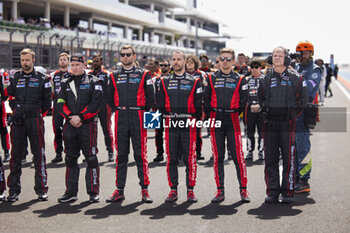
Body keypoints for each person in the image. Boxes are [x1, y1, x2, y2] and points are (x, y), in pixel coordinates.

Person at [258, 46, 308, 203]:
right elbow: (260, 99)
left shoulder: (296, 78)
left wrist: (291, 115)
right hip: (270, 123)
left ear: (286, 58)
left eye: (280, 55)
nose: (277, 58)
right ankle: (272, 192)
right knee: (270, 158)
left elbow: (303, 101)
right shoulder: (265, 79)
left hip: (288, 123)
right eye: (274, 55)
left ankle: (287, 192)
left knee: (289, 159)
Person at [106, 45, 154, 203]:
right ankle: (119, 190)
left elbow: (151, 98)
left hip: (138, 115)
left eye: (128, 55)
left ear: (134, 56)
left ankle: (144, 190)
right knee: (121, 155)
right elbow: (109, 98)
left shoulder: (144, 74)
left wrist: (141, 111)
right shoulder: (113, 75)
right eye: (123, 55)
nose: (125, 57)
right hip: (120, 116)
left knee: (140, 155)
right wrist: (118, 109)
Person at [204, 48, 250, 203]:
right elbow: (206, 99)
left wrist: (236, 113)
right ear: (218, 60)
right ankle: (220, 191)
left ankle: (243, 190)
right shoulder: (211, 78)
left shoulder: (240, 79)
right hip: (216, 118)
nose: (225, 61)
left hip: (232, 119)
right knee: (218, 157)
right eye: (222, 58)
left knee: (238, 157)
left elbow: (244, 101)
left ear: (233, 61)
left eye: (228, 59)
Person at [6, 48, 51, 202]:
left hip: (35, 120)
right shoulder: (14, 77)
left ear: (33, 60)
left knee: (39, 155)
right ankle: (13, 191)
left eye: (27, 60)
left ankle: (41, 190)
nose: (24, 62)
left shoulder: (42, 78)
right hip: (18, 121)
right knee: (16, 156)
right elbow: (10, 95)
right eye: (22, 60)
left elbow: (47, 102)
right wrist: (15, 109)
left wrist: (38, 114)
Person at [56, 53, 102, 203]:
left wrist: (81, 117)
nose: (75, 68)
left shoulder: (94, 81)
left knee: (91, 158)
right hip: (70, 125)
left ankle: (93, 192)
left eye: (77, 65)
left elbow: (96, 105)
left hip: (87, 126)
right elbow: (60, 103)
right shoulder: (64, 82)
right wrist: (71, 117)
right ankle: (71, 192)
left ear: (84, 65)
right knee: (70, 159)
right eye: (72, 65)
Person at [158, 49, 202, 203]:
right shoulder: (164, 81)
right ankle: (173, 190)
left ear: (184, 61)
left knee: (190, 158)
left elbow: (198, 107)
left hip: (188, 124)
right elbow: (160, 105)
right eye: (173, 59)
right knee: (171, 158)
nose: (175, 62)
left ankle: (190, 190)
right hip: (171, 124)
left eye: (179, 59)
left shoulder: (195, 81)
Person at [294, 41, 321, 193]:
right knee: (295, 146)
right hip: (293, 110)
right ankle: (297, 176)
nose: (303, 56)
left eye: (305, 53)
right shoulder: (297, 67)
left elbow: (309, 87)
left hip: (305, 111)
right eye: (300, 53)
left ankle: (304, 180)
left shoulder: (315, 69)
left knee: (303, 145)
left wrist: (293, 75)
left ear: (311, 53)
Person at [88, 54, 114, 162]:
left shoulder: (107, 74)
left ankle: (110, 151)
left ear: (101, 62)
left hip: (104, 105)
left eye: (97, 61)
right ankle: (91, 152)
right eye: (93, 61)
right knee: (91, 130)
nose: (95, 63)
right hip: (92, 105)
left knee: (106, 129)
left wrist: (111, 106)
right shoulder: (88, 74)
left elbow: (111, 91)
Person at [185, 54, 207, 161]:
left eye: (191, 62)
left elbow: (206, 88)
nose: (189, 64)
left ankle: (198, 152)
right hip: (185, 106)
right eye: (188, 62)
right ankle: (184, 152)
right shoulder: (182, 73)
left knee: (197, 130)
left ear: (195, 63)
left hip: (198, 106)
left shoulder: (201, 74)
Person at [50, 53, 72, 163]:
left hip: (69, 106)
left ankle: (69, 152)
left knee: (69, 130)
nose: (62, 61)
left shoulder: (72, 74)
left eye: (64, 59)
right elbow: (52, 91)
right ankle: (58, 153)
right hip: (57, 106)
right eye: (61, 59)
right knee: (57, 130)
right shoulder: (54, 75)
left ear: (68, 62)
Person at [244, 59, 264, 161]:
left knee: (262, 132)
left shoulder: (265, 79)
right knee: (249, 131)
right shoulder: (246, 79)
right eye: (253, 67)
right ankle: (250, 151)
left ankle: (261, 151)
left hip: (262, 110)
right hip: (249, 109)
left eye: (257, 67)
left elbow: (268, 95)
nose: (255, 69)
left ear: (260, 68)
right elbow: (242, 95)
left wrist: (261, 105)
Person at [153, 59, 171, 162]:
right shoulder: (155, 79)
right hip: (157, 110)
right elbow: (151, 94)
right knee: (158, 133)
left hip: (170, 110)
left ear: (169, 67)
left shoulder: (173, 78)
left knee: (172, 133)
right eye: (161, 65)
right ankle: (159, 154)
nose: (163, 67)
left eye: (165, 65)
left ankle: (172, 154)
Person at [0, 69, 10, 162]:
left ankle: (6, 152)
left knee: (3, 129)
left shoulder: (3, 74)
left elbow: (6, 92)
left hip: (0, 106)